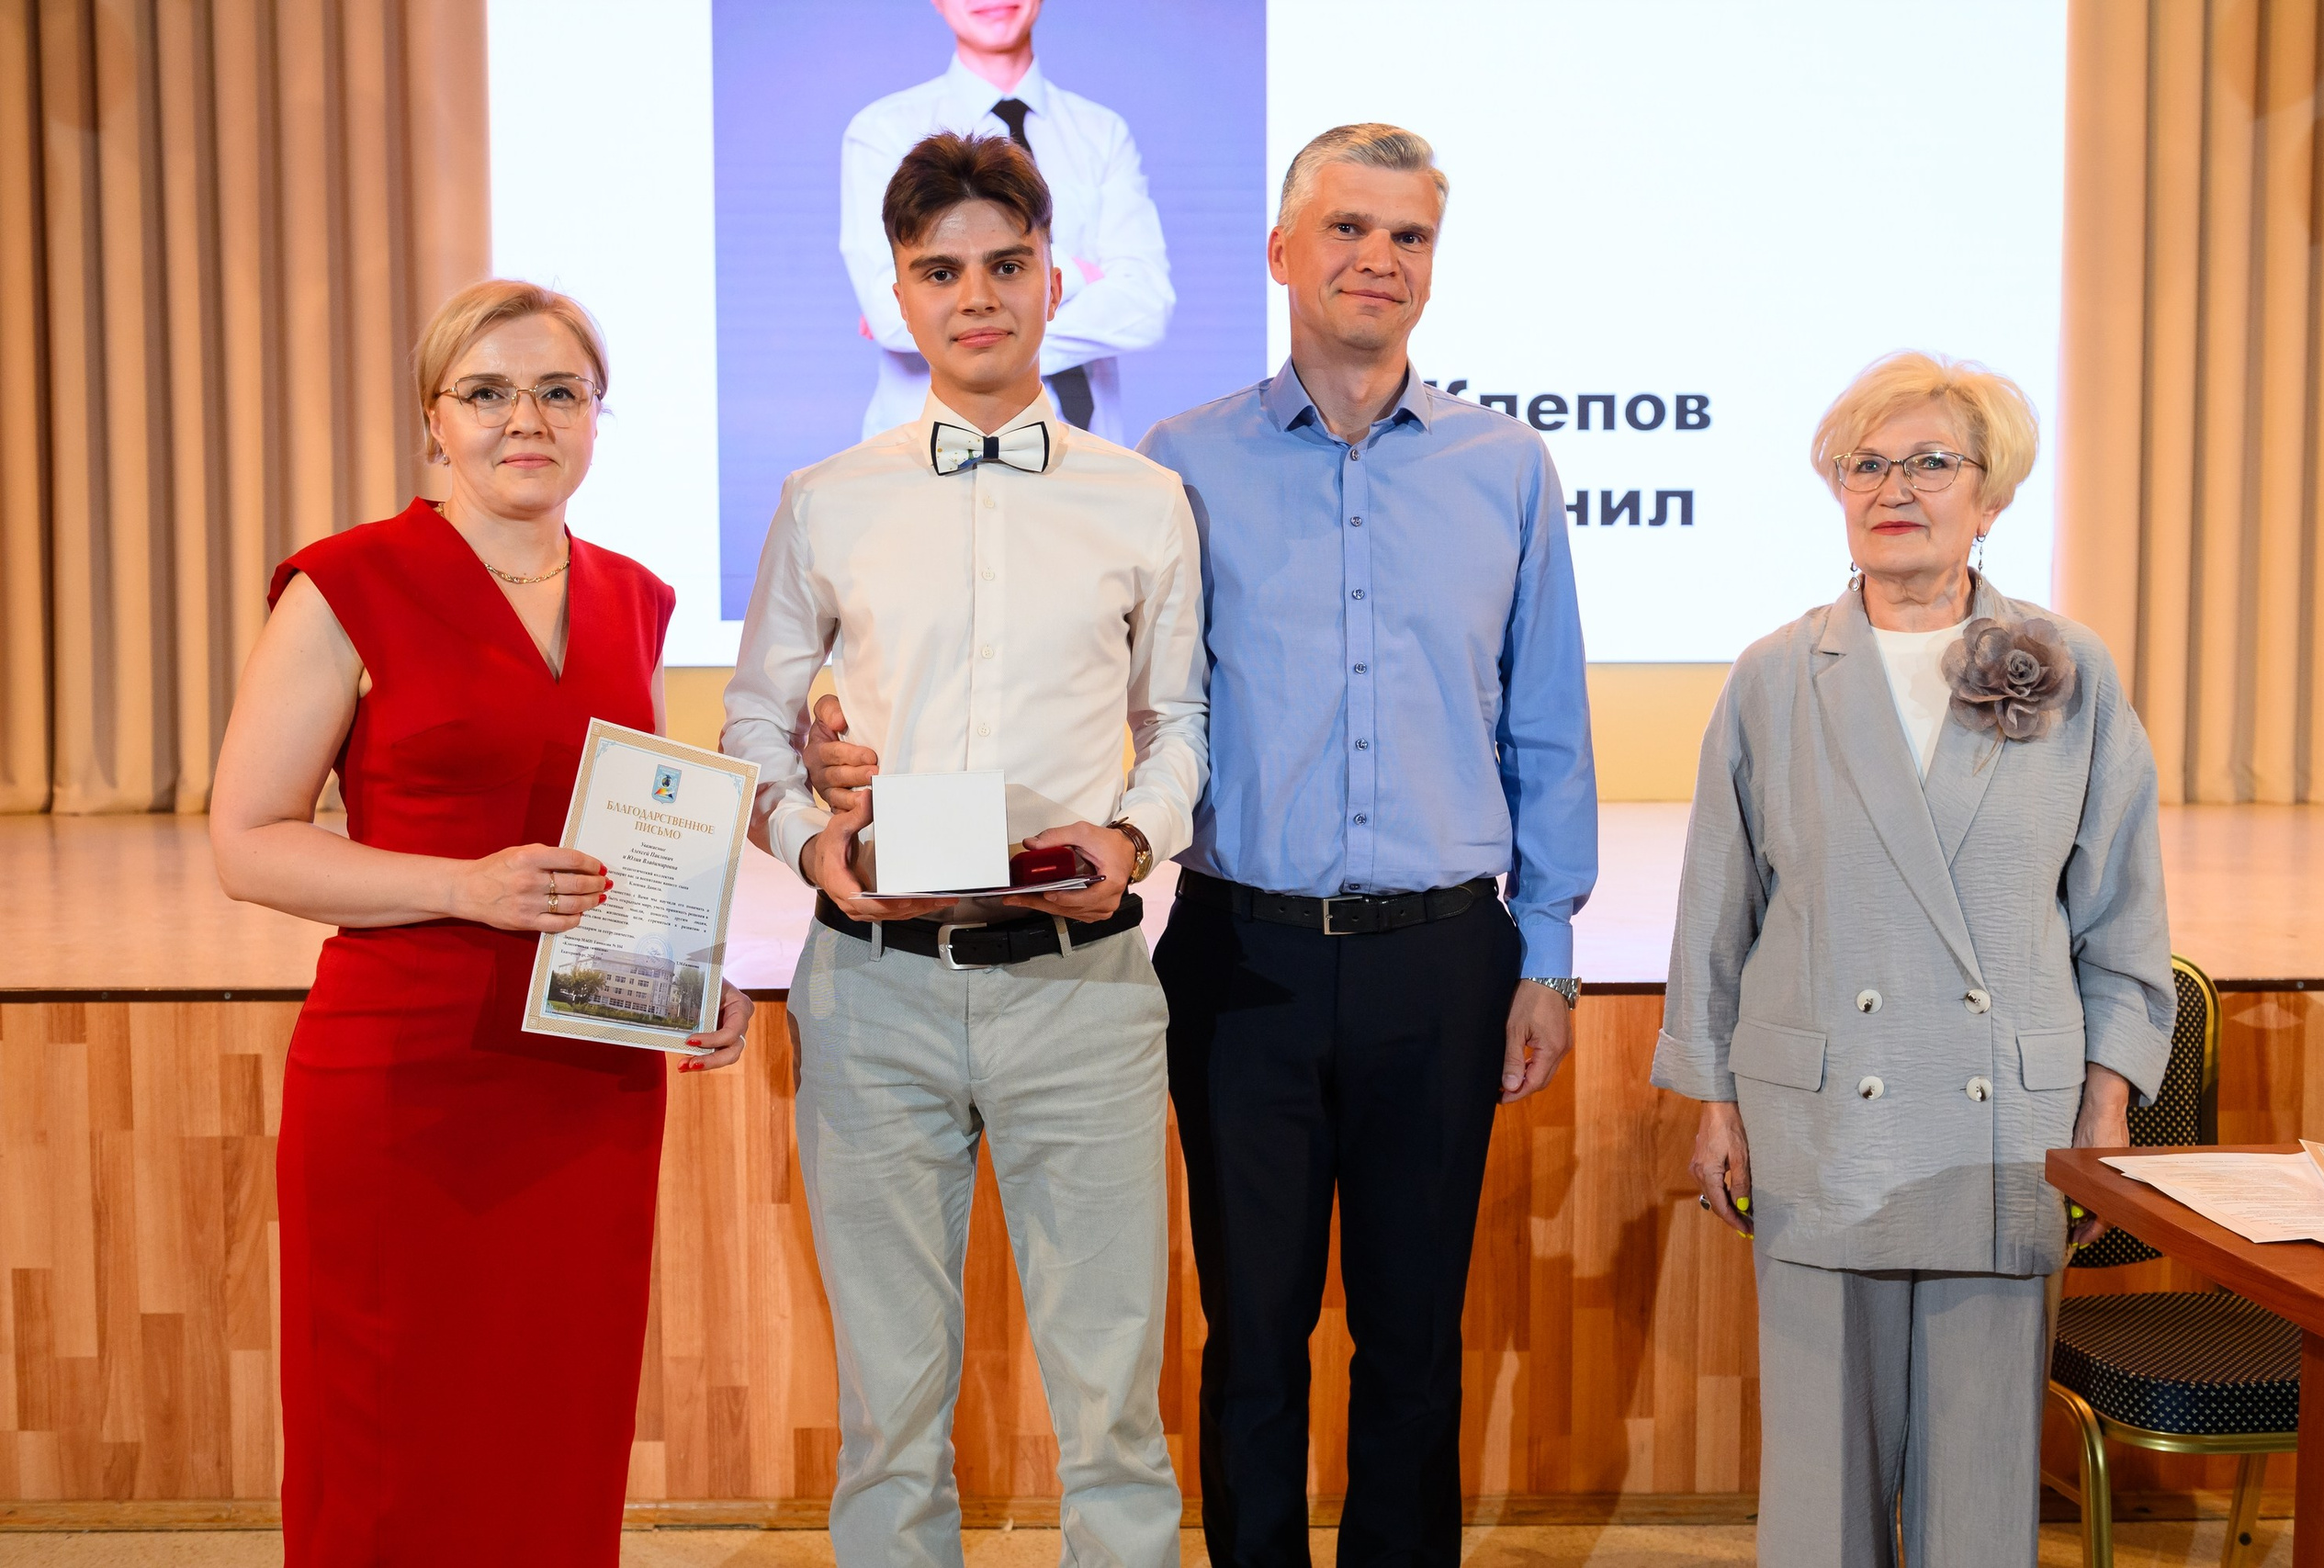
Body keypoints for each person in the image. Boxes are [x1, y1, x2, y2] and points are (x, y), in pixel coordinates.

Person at [209, 279, 752, 1568]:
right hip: (405, 1073)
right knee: (387, 1435)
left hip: (587, 1080)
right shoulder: (348, 583)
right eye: (490, 391)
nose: (528, 418)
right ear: (432, 424)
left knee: (556, 1420)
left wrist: (692, 969)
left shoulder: (638, 597)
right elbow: (248, 840)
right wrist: (462, 884)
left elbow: (634, 836)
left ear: (597, 421)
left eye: (560, 391)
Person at [724, 131, 1204, 1563]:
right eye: (942, 270)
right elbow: (756, 724)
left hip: (1083, 987)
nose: (976, 295)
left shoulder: (1142, 494)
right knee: (891, 1408)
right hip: (874, 990)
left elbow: (1182, 719)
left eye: (1006, 264)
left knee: (1114, 1403)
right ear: (899, 293)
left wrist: (1133, 831)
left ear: (1055, 280)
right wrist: (811, 838)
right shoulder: (828, 494)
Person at [1147, 123, 1596, 1565]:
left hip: (1443, 961)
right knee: (1255, 1335)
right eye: (1348, 228)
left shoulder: (1508, 467)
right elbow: (1129, 701)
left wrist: (1550, 947)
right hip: (1241, 957)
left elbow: (1547, 726)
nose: (1377, 260)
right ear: (1283, 253)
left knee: (1414, 1334)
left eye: (1407, 238)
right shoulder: (1179, 465)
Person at [1653, 352, 2174, 1565]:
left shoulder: (2068, 669)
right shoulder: (1774, 676)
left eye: (1932, 461)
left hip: (2007, 1124)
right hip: (1822, 1114)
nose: (1896, 486)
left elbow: (2122, 911)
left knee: (1983, 1487)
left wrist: (2104, 1103)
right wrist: (1715, 1097)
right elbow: (1716, 909)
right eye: (1866, 464)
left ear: (1989, 496)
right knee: (1821, 1496)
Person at [840, 0, 1173, 441]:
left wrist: (970, 339)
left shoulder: (1102, 132)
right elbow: (889, 316)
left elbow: (1147, 306)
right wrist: (1078, 276)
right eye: (943, 273)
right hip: (930, 455)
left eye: (1009, 268)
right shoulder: (884, 131)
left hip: (1084, 454)